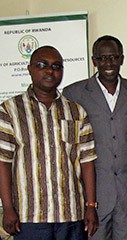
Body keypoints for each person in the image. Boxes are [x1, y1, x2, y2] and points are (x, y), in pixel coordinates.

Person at [0, 46, 98, 239]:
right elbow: (3, 162)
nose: (50, 71)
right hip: (29, 217)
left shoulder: (77, 112)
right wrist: (8, 208)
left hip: (71, 215)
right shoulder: (9, 111)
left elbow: (87, 162)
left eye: (56, 66)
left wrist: (91, 206)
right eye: (42, 65)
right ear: (30, 69)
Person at [63, 35, 127, 240]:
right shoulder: (74, 93)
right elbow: (70, 149)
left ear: (121, 59)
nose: (108, 63)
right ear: (94, 61)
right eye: (102, 58)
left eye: (113, 57)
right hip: (93, 194)